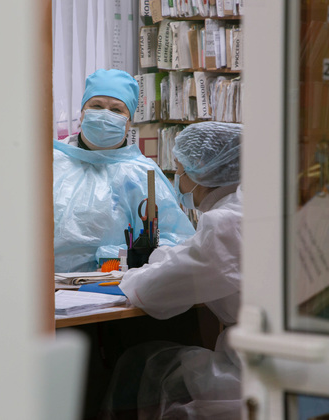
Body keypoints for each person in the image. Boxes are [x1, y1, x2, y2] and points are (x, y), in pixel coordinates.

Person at [103, 121, 243, 419]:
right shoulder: (250, 208)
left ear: (202, 170)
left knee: (140, 364)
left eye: (180, 171)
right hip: (294, 361)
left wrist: (132, 275)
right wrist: (162, 257)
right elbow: (192, 256)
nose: (178, 181)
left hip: (252, 372)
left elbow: (152, 292)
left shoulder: (224, 223)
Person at [53, 69, 195, 272]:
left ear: (129, 123)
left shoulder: (143, 174)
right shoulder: (49, 162)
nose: (105, 115)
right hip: (42, 282)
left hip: (112, 284)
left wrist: (118, 255)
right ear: (82, 113)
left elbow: (176, 241)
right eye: (96, 106)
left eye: (116, 110)